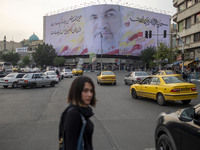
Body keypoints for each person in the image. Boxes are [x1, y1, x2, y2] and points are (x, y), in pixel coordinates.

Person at [59, 76, 97, 150]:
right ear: (77, 92)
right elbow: (70, 146)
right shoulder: (74, 114)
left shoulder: (82, 111)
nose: (90, 95)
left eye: (91, 91)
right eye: (85, 91)